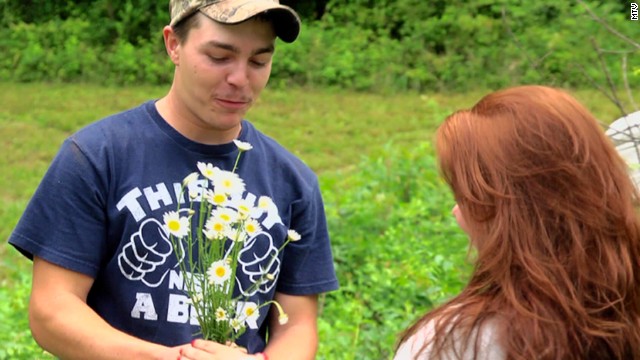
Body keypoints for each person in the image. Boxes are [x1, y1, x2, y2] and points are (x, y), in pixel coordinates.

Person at [8, 1, 339, 359]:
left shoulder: (293, 182)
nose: (240, 79)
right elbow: (52, 311)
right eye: (219, 56)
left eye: (259, 61)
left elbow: (298, 326)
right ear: (173, 44)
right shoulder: (96, 156)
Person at [394, 85, 640, 359]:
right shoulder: (624, 312)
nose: (456, 212)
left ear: (512, 215)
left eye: (466, 198)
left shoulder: (453, 344)